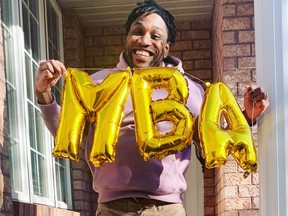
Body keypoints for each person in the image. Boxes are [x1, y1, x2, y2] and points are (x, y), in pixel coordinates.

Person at [35, 0, 269, 215]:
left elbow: (212, 137)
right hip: (111, 208)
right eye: (137, 32)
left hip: (166, 209)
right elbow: (66, 133)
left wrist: (247, 116)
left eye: (155, 36)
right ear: (127, 37)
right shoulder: (97, 83)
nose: (144, 41)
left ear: (166, 48)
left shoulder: (191, 90)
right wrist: (44, 93)